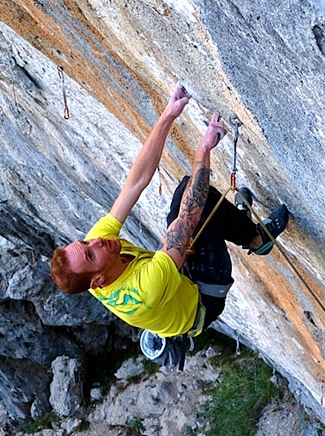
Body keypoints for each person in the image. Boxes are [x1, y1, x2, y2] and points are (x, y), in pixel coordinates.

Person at [50, 83, 288, 347]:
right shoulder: (142, 293)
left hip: (178, 278)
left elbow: (135, 182)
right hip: (203, 298)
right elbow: (188, 219)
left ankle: (233, 224)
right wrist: (205, 148)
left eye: (85, 242)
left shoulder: (96, 250)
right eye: (91, 253)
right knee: (197, 208)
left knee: (187, 189)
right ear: (98, 281)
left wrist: (169, 115)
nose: (95, 241)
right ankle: (256, 238)